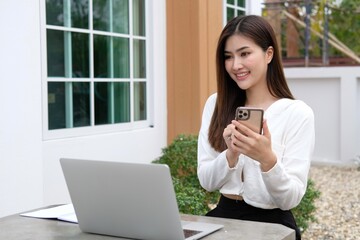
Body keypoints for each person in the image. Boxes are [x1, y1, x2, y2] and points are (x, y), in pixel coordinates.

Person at [197, 15, 315, 240]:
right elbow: (207, 181)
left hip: (274, 225)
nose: (235, 65)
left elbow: (290, 198)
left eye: (244, 53)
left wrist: (267, 160)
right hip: (223, 218)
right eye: (228, 57)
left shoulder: (298, 114)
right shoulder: (216, 104)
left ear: (268, 54)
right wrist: (230, 155)